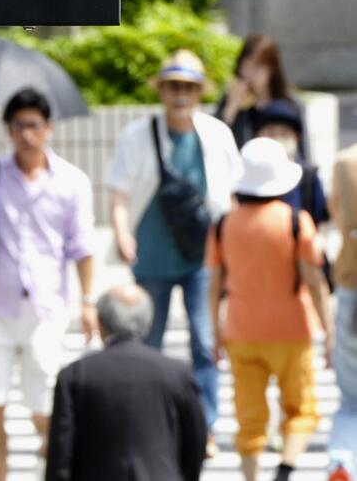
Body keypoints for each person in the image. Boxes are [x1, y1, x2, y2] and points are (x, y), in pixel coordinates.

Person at [0, 87, 96, 481]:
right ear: (8, 130)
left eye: (33, 125)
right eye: (18, 126)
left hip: (46, 308)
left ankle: (50, 472)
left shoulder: (71, 181)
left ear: (48, 129)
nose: (26, 134)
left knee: (45, 408)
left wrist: (88, 302)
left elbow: (83, 247)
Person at [107, 49, 242, 455]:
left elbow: (233, 195)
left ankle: (204, 426)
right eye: (172, 86)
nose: (180, 94)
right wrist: (121, 233)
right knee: (147, 342)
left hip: (205, 257)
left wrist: (234, 247)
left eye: (187, 87)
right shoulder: (136, 134)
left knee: (205, 340)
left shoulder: (217, 133)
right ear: (162, 90)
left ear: (199, 92)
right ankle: (150, 423)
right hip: (151, 254)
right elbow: (119, 192)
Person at [207, 137, 334, 481]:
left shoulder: (223, 225)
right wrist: (329, 332)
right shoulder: (296, 221)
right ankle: (284, 470)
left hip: (241, 331)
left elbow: (214, 286)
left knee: (249, 420)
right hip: (293, 330)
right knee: (302, 411)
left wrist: (215, 333)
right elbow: (315, 282)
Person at [46, 284, 207, 481]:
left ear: (101, 323)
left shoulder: (75, 375)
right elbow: (196, 440)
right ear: (147, 322)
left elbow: (60, 450)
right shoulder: (177, 373)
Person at [215, 33, 301, 152]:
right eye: (245, 66)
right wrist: (231, 108)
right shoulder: (231, 101)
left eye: (257, 67)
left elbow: (301, 151)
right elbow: (213, 142)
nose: (249, 74)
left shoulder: (288, 105)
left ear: (271, 69)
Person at [327, 144, 357, 480]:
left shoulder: (345, 160)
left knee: (352, 400)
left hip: (352, 278)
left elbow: (335, 208)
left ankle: (342, 461)